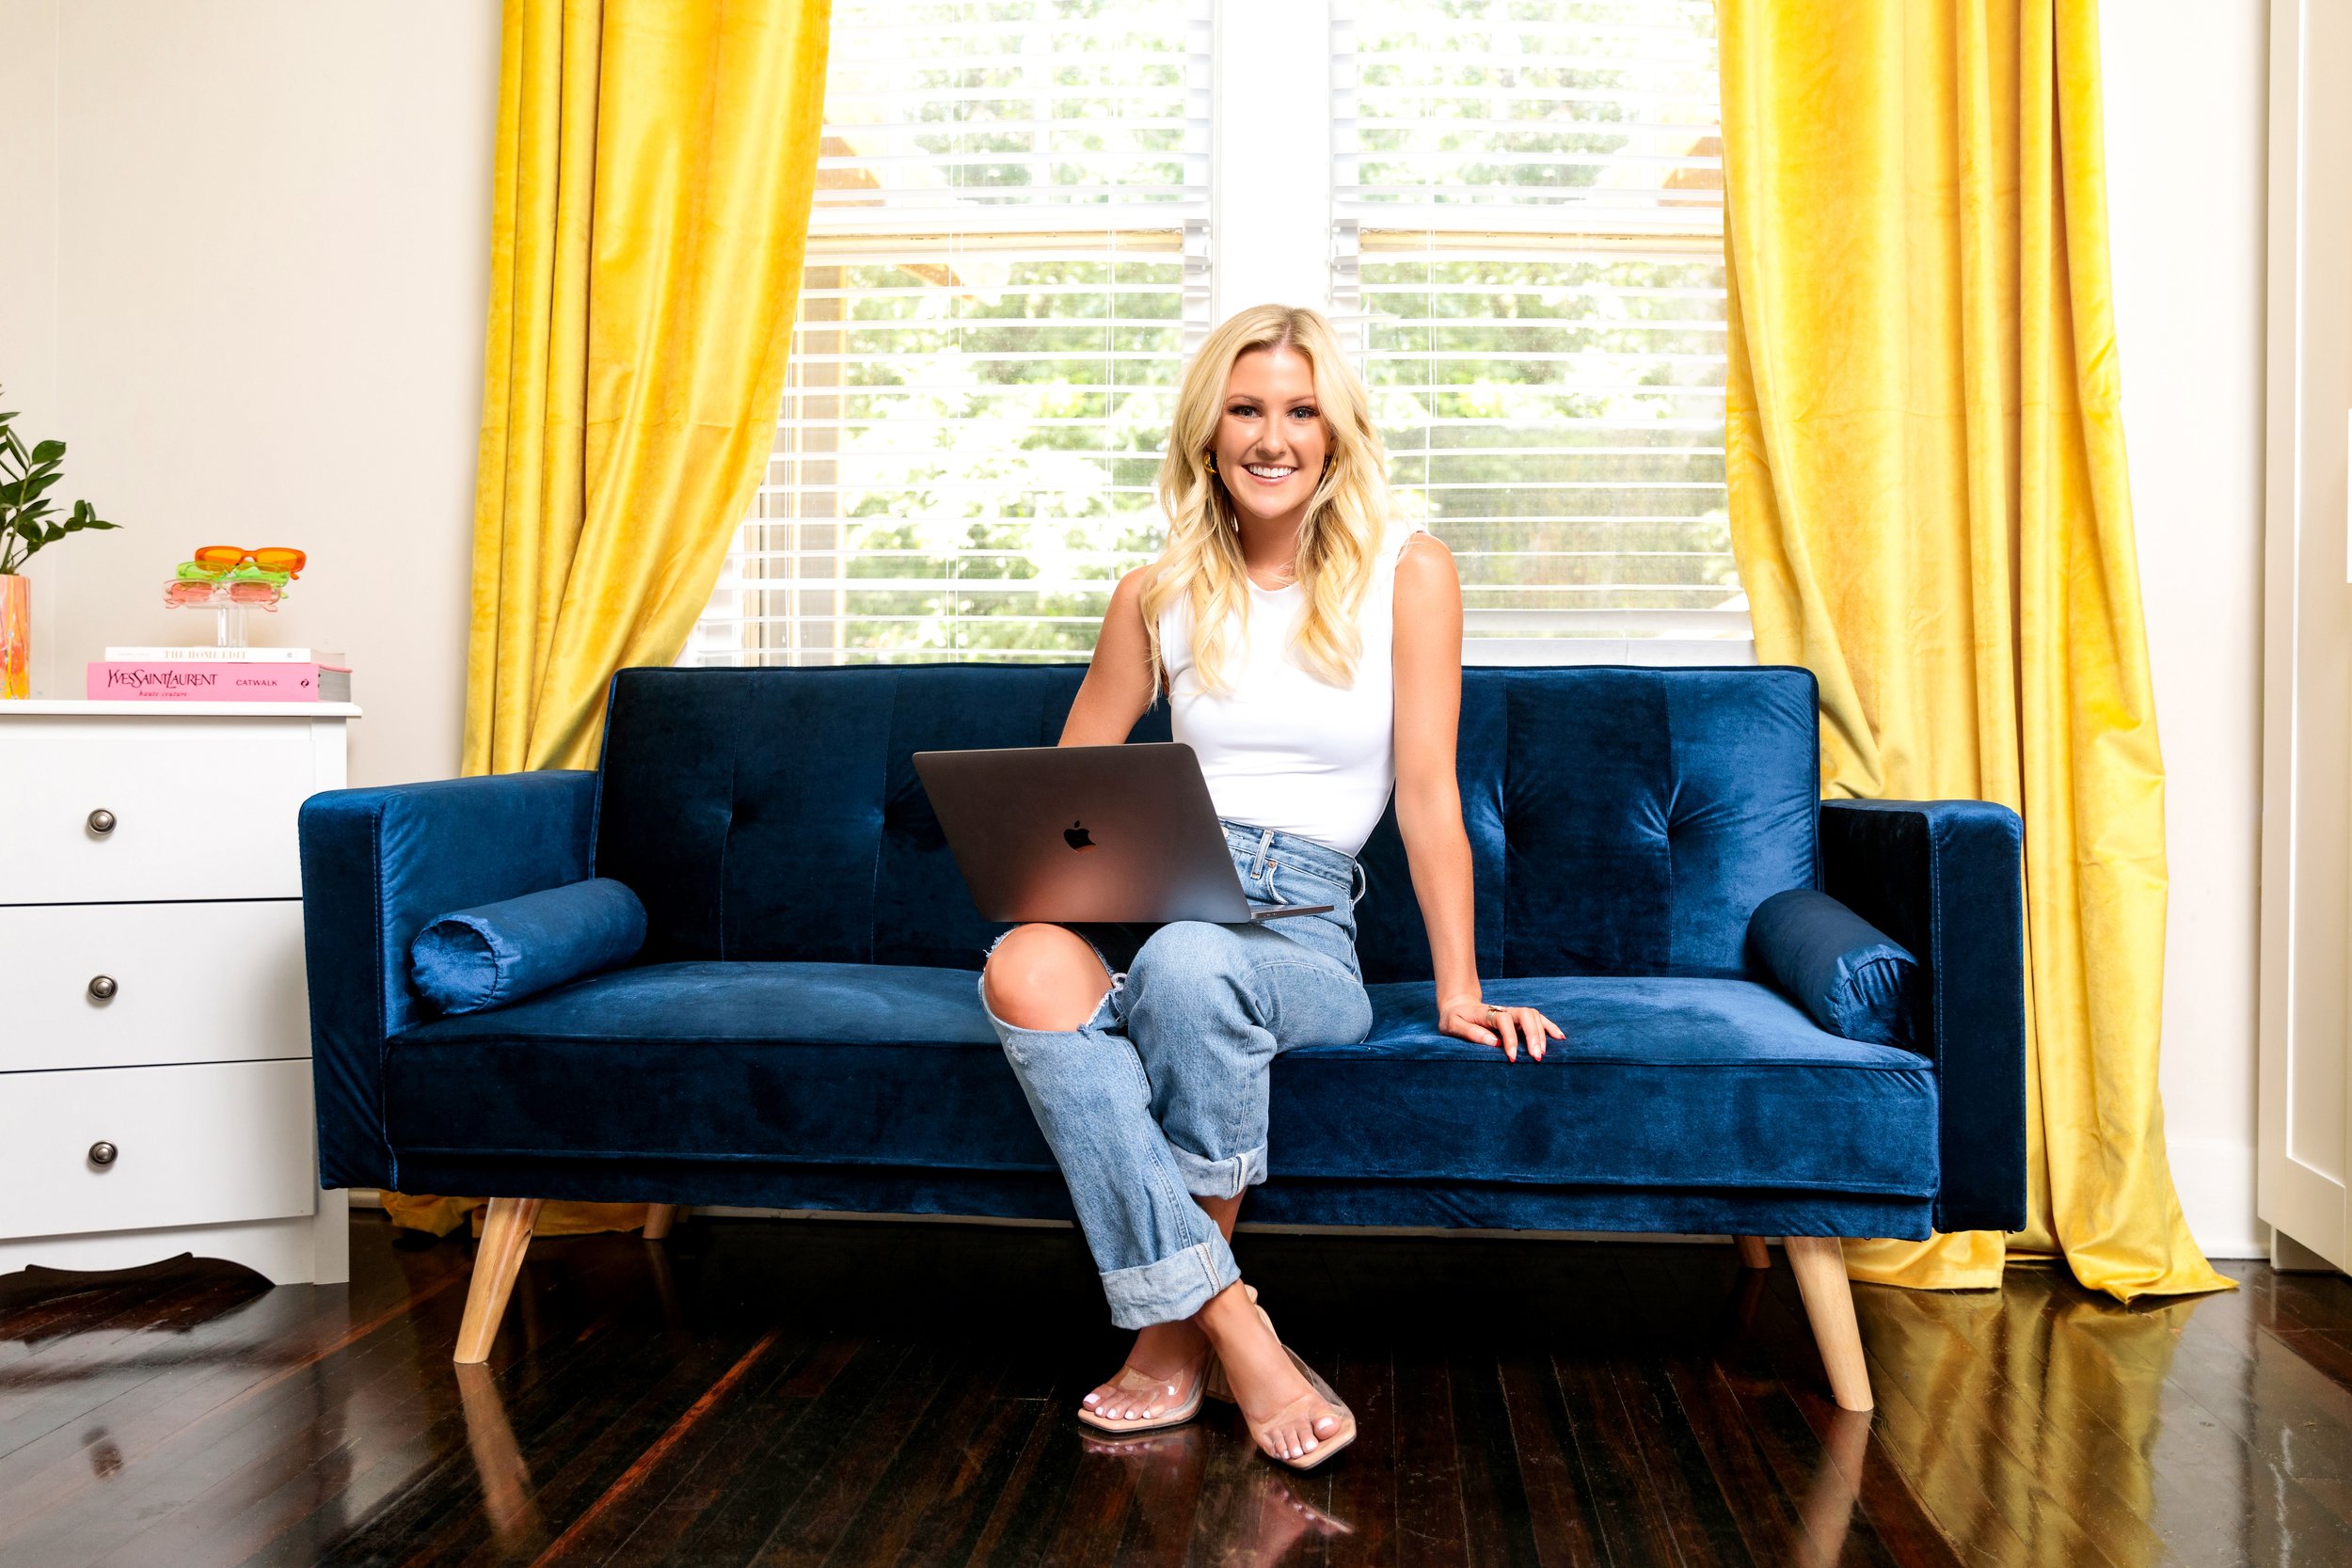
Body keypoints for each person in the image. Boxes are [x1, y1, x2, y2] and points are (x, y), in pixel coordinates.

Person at [979, 304, 1562, 1471]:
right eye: (1246, 409)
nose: (1273, 435)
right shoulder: (1155, 593)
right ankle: (1231, 1311)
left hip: (1301, 932)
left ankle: (1172, 1338)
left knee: (1196, 964)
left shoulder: (1410, 569)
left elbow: (1428, 793)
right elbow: (1065, 801)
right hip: (1161, 904)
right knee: (1021, 962)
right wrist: (1064, 869)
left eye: (1301, 411)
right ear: (1208, 433)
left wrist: (1459, 989)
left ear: (1337, 436)